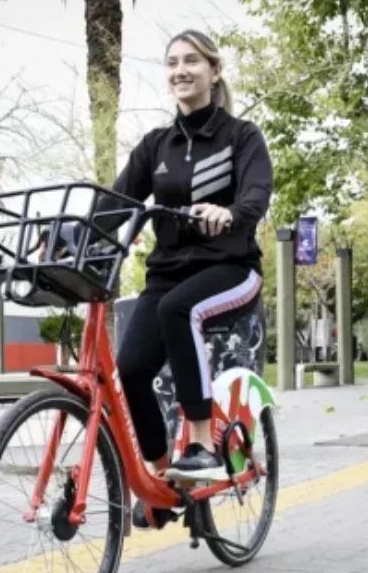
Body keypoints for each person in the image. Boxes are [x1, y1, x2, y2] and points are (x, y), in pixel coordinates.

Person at [105, 29, 272, 517]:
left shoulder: (242, 137)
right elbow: (113, 205)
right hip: (168, 272)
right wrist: (68, 234)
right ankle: (162, 482)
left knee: (181, 310)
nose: (180, 70)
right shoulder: (156, 145)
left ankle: (200, 442)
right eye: (172, 61)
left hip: (230, 267)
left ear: (213, 71)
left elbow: (256, 194)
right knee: (130, 370)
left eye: (192, 61)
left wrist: (232, 214)